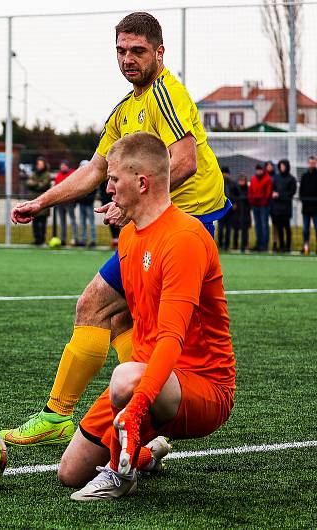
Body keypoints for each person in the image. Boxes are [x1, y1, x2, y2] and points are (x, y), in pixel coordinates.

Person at [2, 12, 229, 447]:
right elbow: (95, 169)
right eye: (121, 50)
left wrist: (132, 203)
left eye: (138, 51)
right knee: (124, 319)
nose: (128, 59)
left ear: (159, 53)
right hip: (152, 227)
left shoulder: (167, 94)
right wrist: (40, 202)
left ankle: (58, 415)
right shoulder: (126, 109)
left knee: (94, 305)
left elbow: (185, 161)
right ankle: (143, 428)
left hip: (185, 228)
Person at [62, 132, 235, 501]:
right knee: (70, 472)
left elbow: (171, 339)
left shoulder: (185, 238)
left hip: (203, 387)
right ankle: (145, 451)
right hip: (150, 375)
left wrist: (136, 407)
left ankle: (118, 475)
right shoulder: (127, 237)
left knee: (124, 379)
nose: (107, 188)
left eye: (113, 179)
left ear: (142, 183)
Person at [271, 159, 296, 253]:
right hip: (277, 208)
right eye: (281, 166)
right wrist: (274, 195)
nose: (282, 167)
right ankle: (281, 246)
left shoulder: (291, 179)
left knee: (287, 228)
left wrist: (280, 195)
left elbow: (291, 192)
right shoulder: (276, 178)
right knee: (279, 228)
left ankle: (288, 246)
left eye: (284, 166)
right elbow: (273, 190)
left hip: (286, 208)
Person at [25, 157, 52, 245]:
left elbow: (44, 185)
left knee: (43, 223)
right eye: (38, 164)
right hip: (34, 202)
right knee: (35, 222)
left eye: (41, 164)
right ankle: (36, 239)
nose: (39, 166)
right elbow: (28, 183)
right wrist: (37, 183)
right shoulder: (34, 174)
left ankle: (42, 240)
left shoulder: (47, 174)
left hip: (43, 203)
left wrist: (35, 183)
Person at [248, 163, 272, 252]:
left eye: (260, 169)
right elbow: (250, 190)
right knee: (257, 226)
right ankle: (258, 244)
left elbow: (268, 193)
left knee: (264, 225)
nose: (259, 171)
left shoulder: (267, 179)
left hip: (264, 207)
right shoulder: (253, 179)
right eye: (257, 169)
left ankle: (264, 245)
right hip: (255, 206)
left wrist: (263, 202)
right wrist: (252, 201)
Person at [76, 160, 98, 247]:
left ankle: (93, 239)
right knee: (82, 222)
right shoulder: (79, 179)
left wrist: (87, 198)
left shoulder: (93, 178)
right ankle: (83, 239)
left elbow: (93, 192)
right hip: (82, 203)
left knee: (91, 223)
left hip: (89, 203)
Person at [54, 161, 76, 246]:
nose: (62, 167)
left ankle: (74, 238)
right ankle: (62, 239)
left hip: (69, 202)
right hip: (60, 202)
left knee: (72, 220)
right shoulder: (58, 175)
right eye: (61, 166)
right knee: (62, 221)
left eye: (64, 166)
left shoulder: (72, 174)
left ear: (67, 166)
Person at [217, 166, 238, 251]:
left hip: (230, 210)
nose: (225, 175)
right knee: (221, 228)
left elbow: (237, 194)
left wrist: (235, 204)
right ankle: (221, 244)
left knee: (228, 228)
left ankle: (227, 245)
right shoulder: (218, 183)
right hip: (221, 209)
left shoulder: (233, 184)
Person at [299, 156, 317, 255]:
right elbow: (301, 191)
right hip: (306, 208)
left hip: (316, 209)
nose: (312, 165)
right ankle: (306, 247)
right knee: (305, 229)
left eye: (314, 163)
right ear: (308, 163)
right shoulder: (304, 176)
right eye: (310, 163)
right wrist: (303, 200)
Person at [233, 174, 252, 252]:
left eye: (243, 180)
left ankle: (244, 246)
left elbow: (250, 201)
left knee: (245, 231)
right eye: (240, 180)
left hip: (245, 213)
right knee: (236, 229)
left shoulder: (248, 190)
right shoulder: (235, 189)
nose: (241, 182)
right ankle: (235, 245)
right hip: (237, 213)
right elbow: (233, 199)